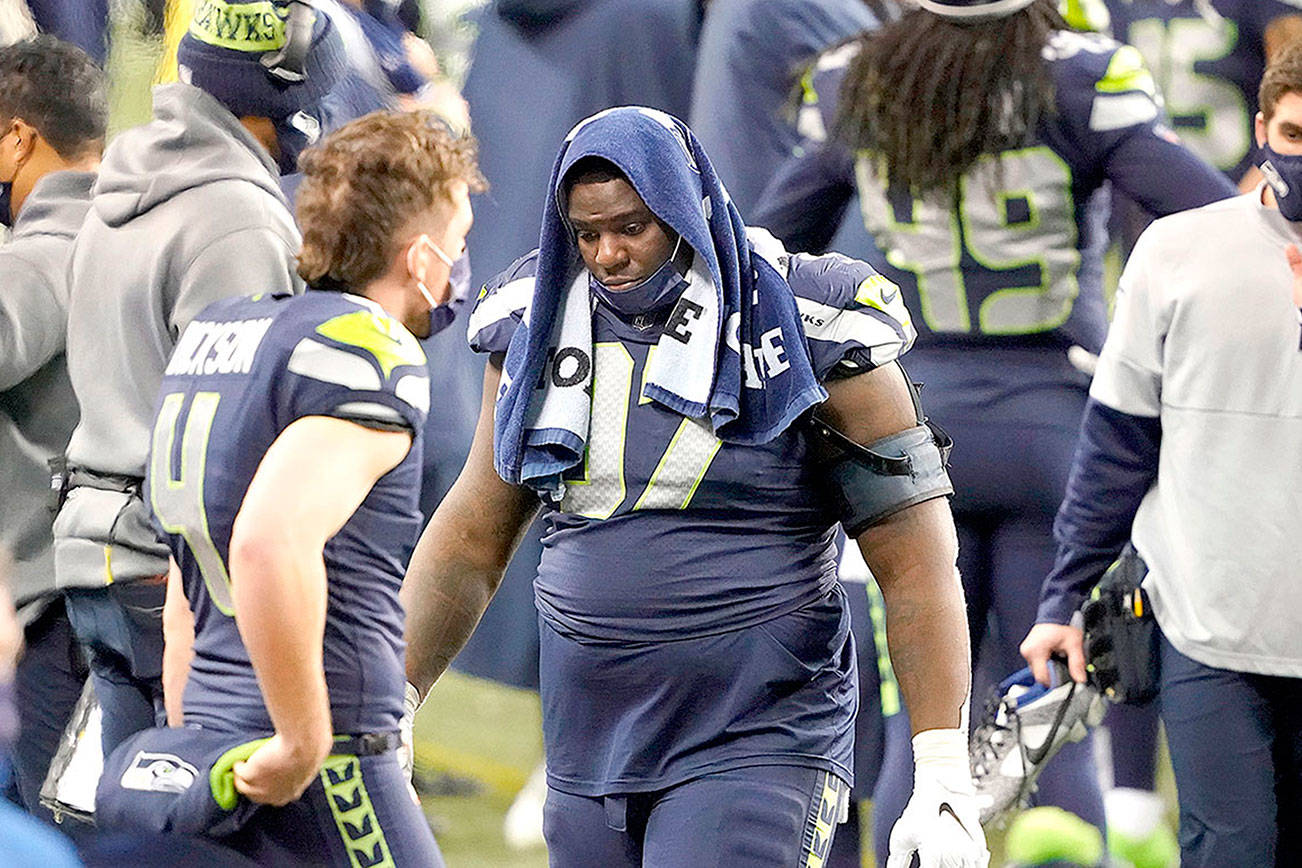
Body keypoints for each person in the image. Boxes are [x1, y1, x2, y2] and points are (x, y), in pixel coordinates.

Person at [402, 106, 987, 868]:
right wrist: (396, 701)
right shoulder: (534, 318)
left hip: (759, 731)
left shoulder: (810, 316)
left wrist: (942, 767)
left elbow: (913, 556)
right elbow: (474, 533)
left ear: (684, 210)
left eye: (631, 227)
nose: (608, 253)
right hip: (589, 738)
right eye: (587, 233)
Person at [751, 0, 1236, 861]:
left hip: (908, 430)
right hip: (1054, 427)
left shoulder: (858, 75)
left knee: (923, 733)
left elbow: (769, 251)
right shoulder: (1080, 75)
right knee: (1058, 719)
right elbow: (1210, 218)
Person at [92, 108, 480, 865]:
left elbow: (187, 570)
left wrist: (192, 727)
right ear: (421, 254)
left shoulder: (224, 332)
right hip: (321, 751)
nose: (462, 263)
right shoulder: (368, 350)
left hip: (215, 735)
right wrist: (305, 738)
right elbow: (269, 541)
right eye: (459, 244)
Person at [1021, 41, 1302, 867]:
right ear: (1260, 129)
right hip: (1204, 624)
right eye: (1293, 134)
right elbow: (1116, 448)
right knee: (1233, 849)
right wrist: (1062, 599)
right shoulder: (1177, 252)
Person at [54, 0, 344, 758]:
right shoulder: (239, 217)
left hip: (94, 550)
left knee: (121, 826)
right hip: (172, 572)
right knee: (208, 823)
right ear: (276, 100)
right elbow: (236, 430)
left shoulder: (122, 181)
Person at [0, 35, 103, 828]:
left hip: (44, 612)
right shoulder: (139, 235)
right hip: (111, 590)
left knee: (40, 833)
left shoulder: (46, 247)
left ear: (17, 137)